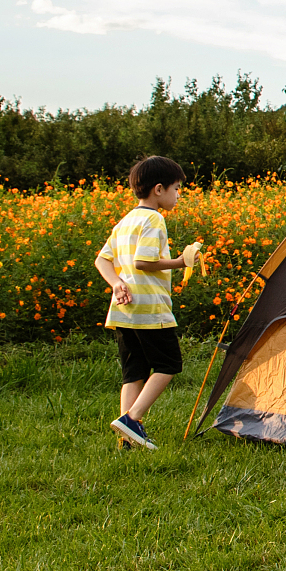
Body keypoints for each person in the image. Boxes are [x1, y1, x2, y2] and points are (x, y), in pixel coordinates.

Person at [94, 155, 199, 450]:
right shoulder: (154, 218)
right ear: (158, 189)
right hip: (149, 309)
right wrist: (180, 261)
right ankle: (133, 419)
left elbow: (102, 260)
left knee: (134, 372)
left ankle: (126, 439)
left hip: (124, 310)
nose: (178, 195)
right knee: (169, 364)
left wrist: (116, 284)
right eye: (176, 188)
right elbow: (143, 261)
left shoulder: (126, 220)